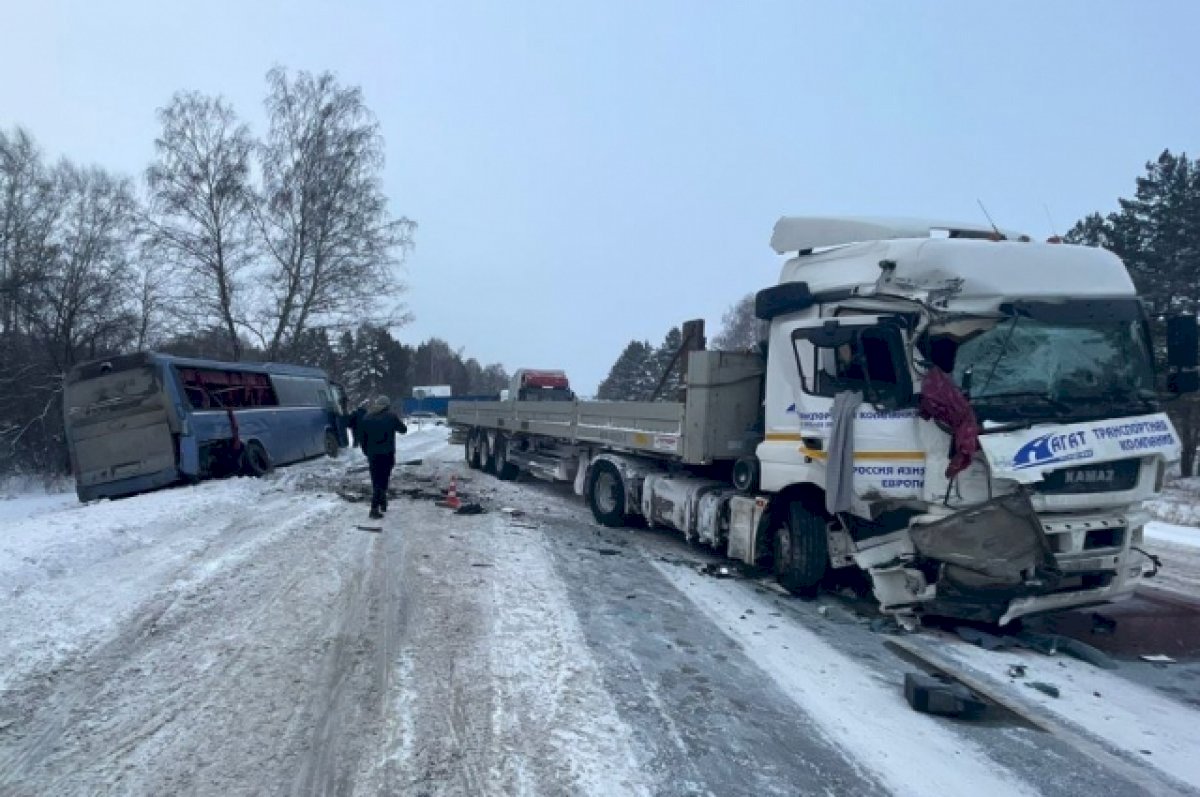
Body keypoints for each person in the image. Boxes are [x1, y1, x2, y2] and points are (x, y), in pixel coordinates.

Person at [356, 395, 407, 519]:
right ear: (387, 406)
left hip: (373, 455)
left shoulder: (367, 417)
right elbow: (403, 430)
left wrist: (367, 451)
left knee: (376, 480)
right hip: (387, 454)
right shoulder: (391, 417)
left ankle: (382, 502)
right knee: (383, 479)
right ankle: (374, 508)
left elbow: (361, 437)